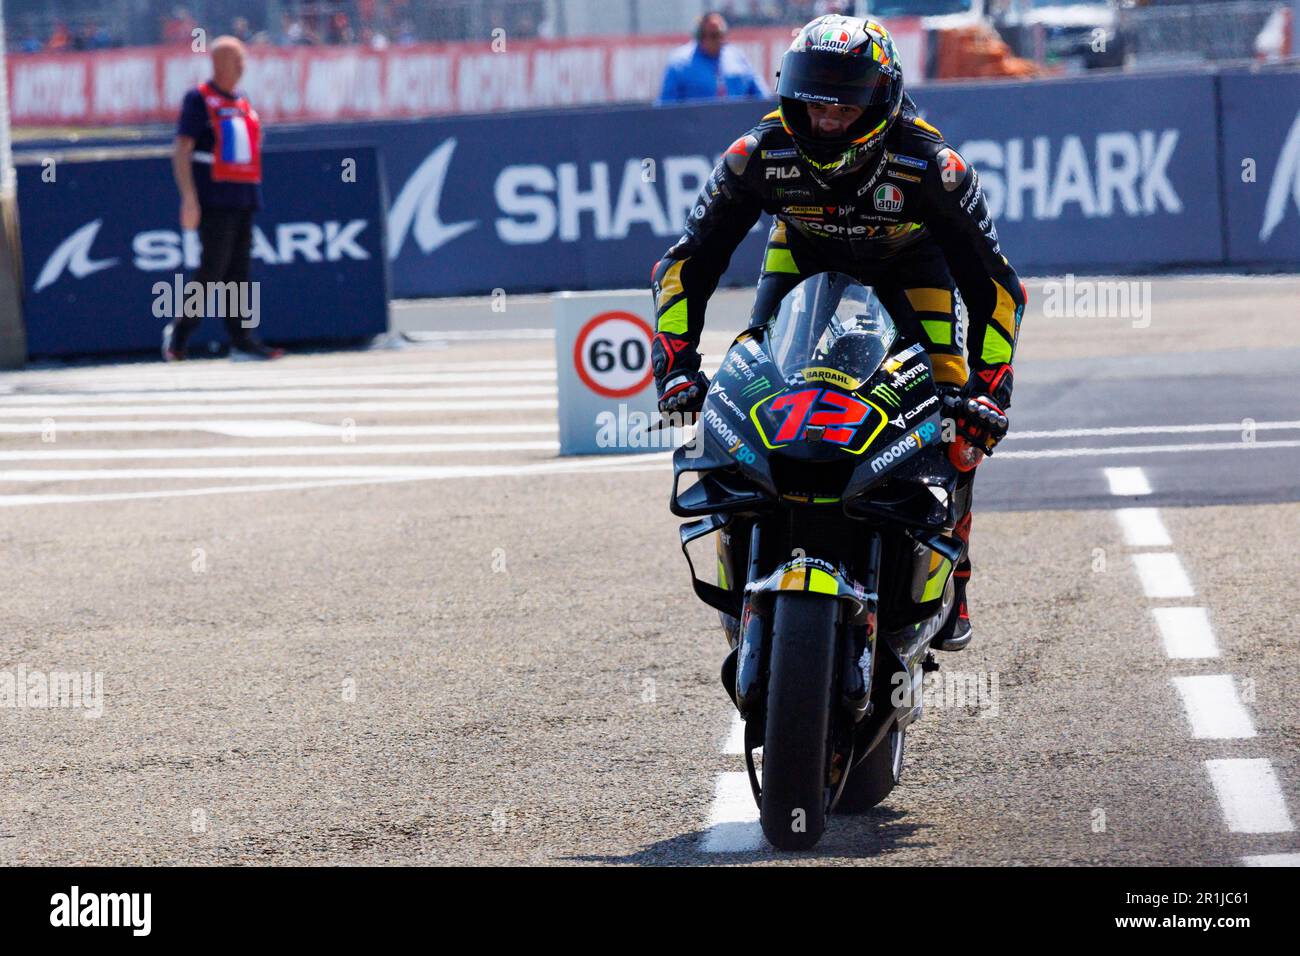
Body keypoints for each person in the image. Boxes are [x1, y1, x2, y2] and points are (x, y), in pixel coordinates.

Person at [650, 14, 1025, 651]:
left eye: (842, 107)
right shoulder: (756, 155)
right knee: (757, 377)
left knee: (956, 420)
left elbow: (997, 292)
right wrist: (678, 366)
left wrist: (991, 392)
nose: (825, 120)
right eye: (811, 104)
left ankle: (952, 564)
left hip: (912, 268)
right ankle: (753, 540)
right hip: (802, 256)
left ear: (879, 103)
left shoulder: (932, 165)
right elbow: (685, 265)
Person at [165, 35, 283, 361]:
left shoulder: (242, 100)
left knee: (239, 270)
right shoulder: (199, 99)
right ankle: (180, 334)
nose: (243, 67)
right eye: (237, 60)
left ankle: (241, 338)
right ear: (219, 63)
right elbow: (181, 150)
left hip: (242, 195)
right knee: (212, 269)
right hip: (214, 197)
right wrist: (189, 198)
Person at [658, 12, 769, 104]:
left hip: (737, 125)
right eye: (714, 36)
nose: (719, 40)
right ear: (700, 36)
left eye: (721, 35)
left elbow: (762, 96)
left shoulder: (737, 58)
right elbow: (665, 108)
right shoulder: (679, 64)